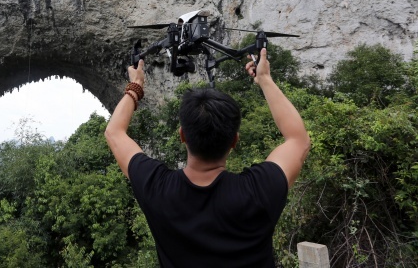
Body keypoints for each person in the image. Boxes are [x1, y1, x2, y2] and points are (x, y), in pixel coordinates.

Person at [105, 48, 310, 267]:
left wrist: (136, 85)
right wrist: (265, 79)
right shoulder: (259, 190)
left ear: (182, 135)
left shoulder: (157, 189)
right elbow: (298, 140)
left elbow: (114, 132)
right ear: (235, 140)